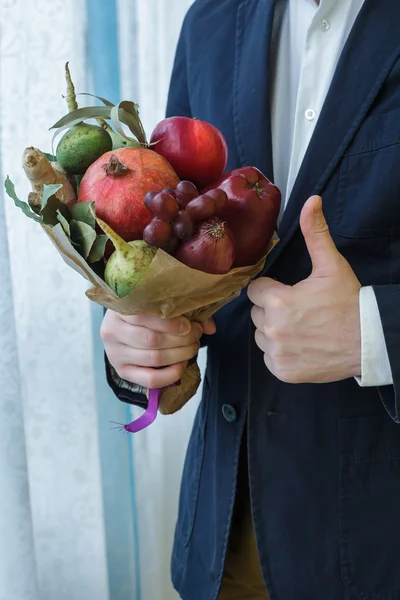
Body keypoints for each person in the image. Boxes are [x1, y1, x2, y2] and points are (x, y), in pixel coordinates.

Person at [102, 0, 400, 597]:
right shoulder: (210, 20)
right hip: (223, 542)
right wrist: (142, 339)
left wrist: (378, 333)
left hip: (379, 540)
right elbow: (173, 235)